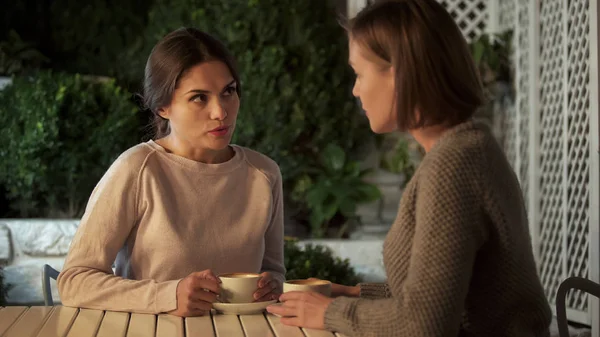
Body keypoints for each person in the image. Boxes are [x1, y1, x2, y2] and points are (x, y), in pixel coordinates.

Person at [267, 1, 553, 336]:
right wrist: (358, 293)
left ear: (401, 72)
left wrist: (332, 312)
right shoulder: (466, 147)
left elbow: (424, 324)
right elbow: (446, 291)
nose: (356, 90)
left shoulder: (454, 164)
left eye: (359, 74)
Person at [57, 27, 286, 317]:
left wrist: (272, 286)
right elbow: (74, 282)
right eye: (199, 98)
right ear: (163, 106)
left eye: (228, 91)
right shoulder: (137, 169)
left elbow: (274, 272)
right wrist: (166, 296)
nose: (220, 111)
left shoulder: (264, 174)